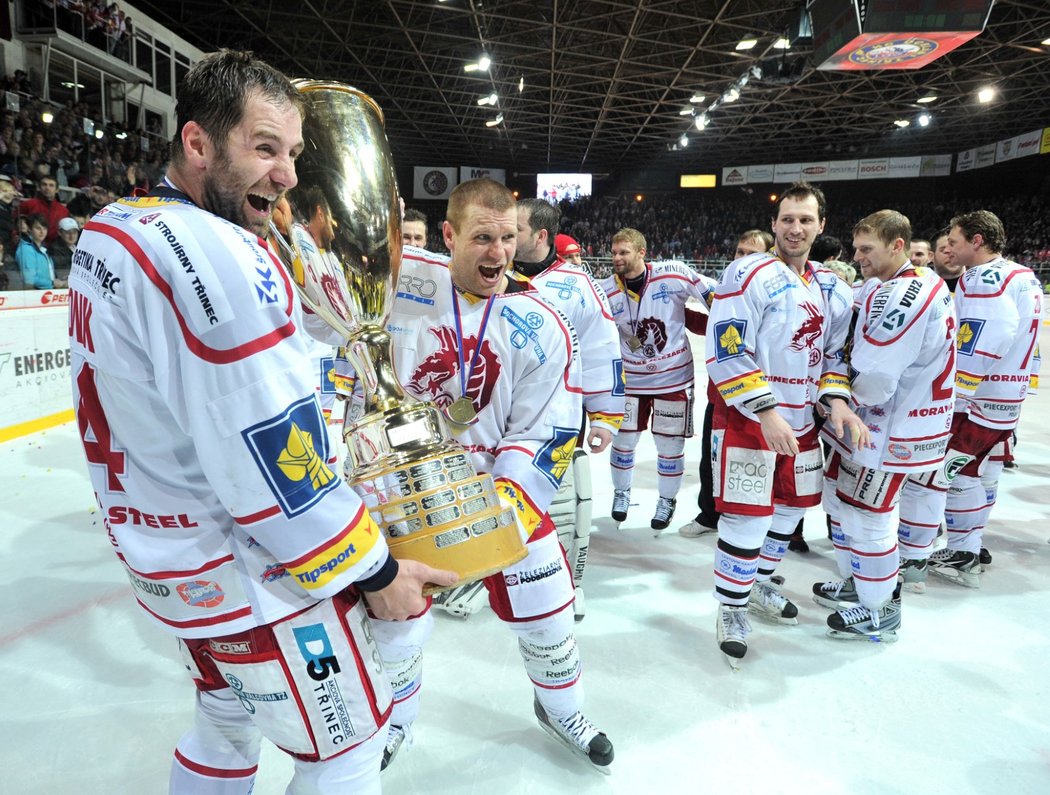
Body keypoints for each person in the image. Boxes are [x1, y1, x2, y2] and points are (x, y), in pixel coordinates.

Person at [67, 50, 455, 794]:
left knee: (224, 722)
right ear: (198, 143)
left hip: (167, 565)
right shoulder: (218, 257)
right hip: (250, 577)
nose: (285, 175)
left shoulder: (112, 225)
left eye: (295, 154)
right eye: (264, 148)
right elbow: (275, 464)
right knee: (348, 745)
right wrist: (375, 569)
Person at [372, 178, 614, 771]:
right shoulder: (398, 281)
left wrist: (496, 514)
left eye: (507, 238)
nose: (497, 253)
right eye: (482, 237)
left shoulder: (541, 319)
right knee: (396, 624)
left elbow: (547, 432)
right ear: (449, 234)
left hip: (498, 494)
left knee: (549, 607)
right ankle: (394, 722)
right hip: (405, 494)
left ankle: (562, 709)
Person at [704, 181, 864, 666]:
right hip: (751, 418)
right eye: (787, 219)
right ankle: (731, 608)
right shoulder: (746, 272)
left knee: (792, 510)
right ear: (774, 224)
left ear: (821, 225)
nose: (796, 227)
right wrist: (767, 411)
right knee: (746, 516)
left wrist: (836, 400)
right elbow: (728, 347)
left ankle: (755, 585)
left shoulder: (834, 286)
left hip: (805, 420)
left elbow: (836, 354)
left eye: (805, 219)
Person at [812, 210, 956, 639]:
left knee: (869, 515)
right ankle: (861, 584)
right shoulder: (900, 283)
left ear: (897, 245)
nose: (857, 257)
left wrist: (834, 388)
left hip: (890, 429)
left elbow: (873, 381)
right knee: (844, 503)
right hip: (881, 425)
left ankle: (881, 609)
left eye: (866, 249)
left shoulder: (905, 294)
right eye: (855, 248)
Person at [508, 197, 623, 621]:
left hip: (558, 415)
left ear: (540, 236)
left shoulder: (578, 285)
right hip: (496, 412)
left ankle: (566, 583)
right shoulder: (492, 274)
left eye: (514, 230)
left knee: (559, 500)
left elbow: (602, 350)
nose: (504, 237)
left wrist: (607, 415)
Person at [927, 210, 1042, 587]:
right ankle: (971, 545)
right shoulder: (1023, 274)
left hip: (980, 398)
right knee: (984, 471)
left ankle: (963, 551)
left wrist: (958, 389)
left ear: (977, 241)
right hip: (1010, 395)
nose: (951, 248)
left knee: (953, 471)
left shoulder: (981, 276)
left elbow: (991, 330)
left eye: (956, 241)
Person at [601, 227, 716, 532]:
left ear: (642, 252)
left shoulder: (673, 274)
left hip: (673, 379)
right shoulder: (605, 290)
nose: (616, 258)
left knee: (669, 445)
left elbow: (716, 297)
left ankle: (667, 500)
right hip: (630, 381)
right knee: (624, 441)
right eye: (613, 252)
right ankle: (621, 493)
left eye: (623, 252)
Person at [680, 229, 772, 539]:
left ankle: (784, 528)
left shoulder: (775, 294)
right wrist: (677, 314)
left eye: (752, 253)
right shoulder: (726, 292)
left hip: (764, 400)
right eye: (739, 252)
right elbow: (718, 330)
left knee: (766, 464)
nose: (743, 259)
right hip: (721, 397)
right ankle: (709, 515)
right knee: (711, 460)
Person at [17, 174, 70, 244]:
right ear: (39, 187)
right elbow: (15, 221)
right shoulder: (28, 204)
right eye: (44, 184)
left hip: (55, 249)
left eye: (51, 185)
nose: (47, 188)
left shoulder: (64, 211)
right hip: (31, 244)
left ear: (57, 190)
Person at [16, 213, 61, 289]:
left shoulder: (43, 248)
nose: (42, 232)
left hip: (48, 293)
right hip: (35, 296)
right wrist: (52, 283)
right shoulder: (26, 249)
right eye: (38, 228)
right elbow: (29, 280)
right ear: (29, 229)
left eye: (44, 228)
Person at [931, 228, 964, 293]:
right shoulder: (923, 287)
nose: (952, 255)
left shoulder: (978, 282)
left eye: (957, 249)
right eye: (945, 251)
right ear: (931, 256)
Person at [48, 215, 80, 282]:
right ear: (60, 232)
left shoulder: (78, 247)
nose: (72, 236)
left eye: (74, 232)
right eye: (68, 233)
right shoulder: (55, 249)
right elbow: (63, 274)